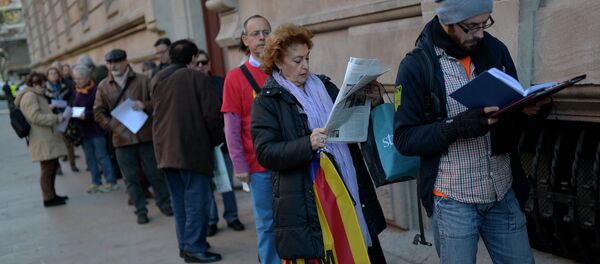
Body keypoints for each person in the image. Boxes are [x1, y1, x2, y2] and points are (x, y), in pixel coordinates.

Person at [393, 0, 551, 263]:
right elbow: (404, 138)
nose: (480, 33)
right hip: (454, 202)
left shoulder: (495, 50)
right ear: (447, 22)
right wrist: (457, 127)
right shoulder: (416, 66)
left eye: (485, 23)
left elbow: (513, 108)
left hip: (502, 192)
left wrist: (532, 109)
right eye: (471, 26)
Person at [250, 23, 387, 263]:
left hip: (350, 186)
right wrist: (307, 144)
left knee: (366, 252)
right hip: (310, 200)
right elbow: (265, 152)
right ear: (278, 62)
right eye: (297, 60)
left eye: (307, 58)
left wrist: (371, 103)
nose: (305, 66)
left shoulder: (324, 86)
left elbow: (356, 125)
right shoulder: (267, 101)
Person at [152, 39, 224, 263]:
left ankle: (186, 245)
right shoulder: (198, 78)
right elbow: (212, 116)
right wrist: (216, 141)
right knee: (197, 201)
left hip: (165, 151)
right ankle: (194, 247)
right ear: (193, 58)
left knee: (181, 202)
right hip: (192, 151)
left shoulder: (157, 79)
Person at [221, 14, 280, 264]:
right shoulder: (235, 78)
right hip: (259, 167)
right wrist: (240, 165)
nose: (262, 38)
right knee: (267, 224)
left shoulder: (282, 69)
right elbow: (232, 127)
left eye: (266, 32)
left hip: (290, 158)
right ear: (245, 40)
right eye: (256, 34)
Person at [93, 49, 172, 225]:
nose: (113, 66)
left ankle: (165, 204)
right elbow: (98, 112)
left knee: (155, 173)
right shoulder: (103, 86)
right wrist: (111, 126)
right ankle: (140, 210)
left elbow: (157, 102)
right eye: (110, 63)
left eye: (117, 62)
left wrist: (144, 104)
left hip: (145, 135)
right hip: (121, 140)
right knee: (130, 178)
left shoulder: (143, 80)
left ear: (125, 61)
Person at [195, 49, 245, 236]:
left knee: (227, 182)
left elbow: (229, 109)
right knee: (208, 186)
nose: (201, 66)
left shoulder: (220, 83)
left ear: (209, 63)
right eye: (197, 63)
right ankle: (211, 220)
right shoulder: (191, 85)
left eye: (204, 62)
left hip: (222, 142)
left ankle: (232, 216)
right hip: (202, 145)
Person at [15, 73, 68, 207]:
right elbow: (35, 117)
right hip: (41, 138)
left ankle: (52, 194)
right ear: (36, 84)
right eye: (44, 83)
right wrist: (56, 118)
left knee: (52, 166)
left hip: (46, 136)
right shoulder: (30, 96)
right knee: (47, 168)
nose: (45, 86)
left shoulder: (36, 95)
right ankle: (48, 198)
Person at [71, 64, 119, 194]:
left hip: (96, 130)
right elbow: (74, 107)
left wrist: (86, 115)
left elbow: (102, 110)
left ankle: (111, 181)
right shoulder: (76, 91)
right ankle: (96, 182)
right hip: (84, 131)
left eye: (79, 78)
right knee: (90, 158)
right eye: (75, 78)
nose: (77, 81)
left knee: (102, 156)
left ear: (87, 77)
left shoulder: (96, 90)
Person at [45, 67, 80, 174]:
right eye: (51, 73)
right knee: (56, 143)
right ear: (48, 76)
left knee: (68, 142)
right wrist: (49, 107)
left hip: (66, 116)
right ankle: (58, 167)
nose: (53, 75)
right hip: (53, 117)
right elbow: (44, 104)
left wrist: (66, 110)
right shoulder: (45, 90)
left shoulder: (65, 86)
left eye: (55, 73)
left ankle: (73, 164)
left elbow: (71, 100)